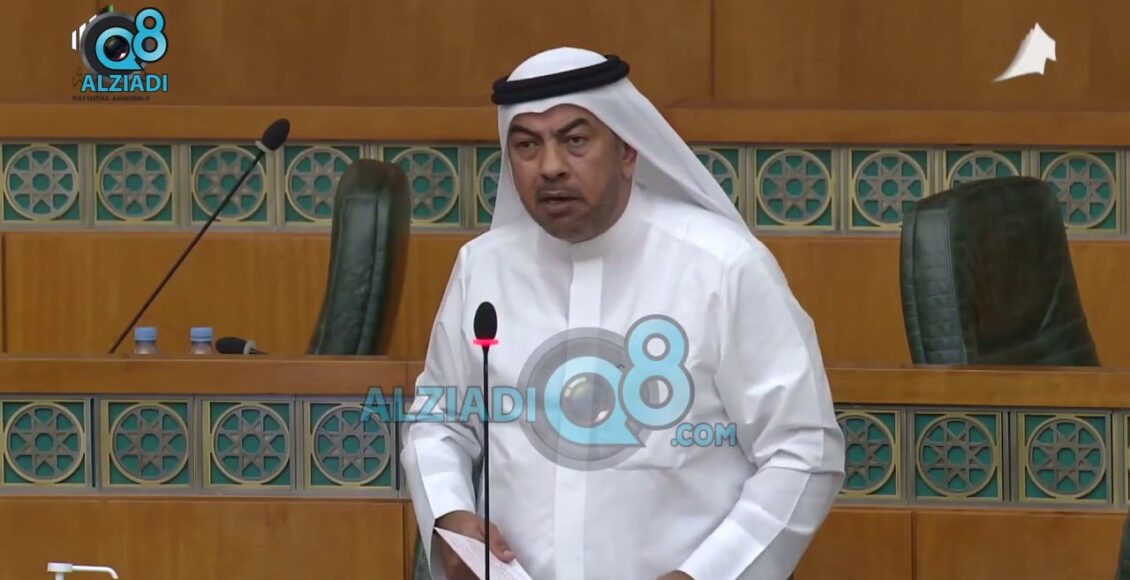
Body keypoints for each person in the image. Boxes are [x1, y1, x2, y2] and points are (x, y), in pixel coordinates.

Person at [400, 46, 846, 580]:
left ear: (628, 150)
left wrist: (707, 574)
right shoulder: (483, 267)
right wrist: (449, 514)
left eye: (575, 140)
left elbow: (803, 450)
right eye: (526, 145)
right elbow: (440, 420)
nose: (550, 167)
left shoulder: (723, 267)